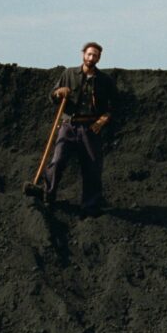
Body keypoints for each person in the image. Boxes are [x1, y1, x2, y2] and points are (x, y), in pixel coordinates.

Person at [42, 41, 117, 216]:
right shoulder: (69, 74)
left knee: (92, 166)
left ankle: (90, 207)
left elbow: (115, 104)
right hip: (68, 125)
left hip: (90, 128)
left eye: (95, 55)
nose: (92, 58)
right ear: (83, 54)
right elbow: (52, 96)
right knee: (57, 161)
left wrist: (103, 119)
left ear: (99, 58)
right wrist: (59, 92)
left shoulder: (104, 81)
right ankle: (48, 196)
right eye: (89, 54)